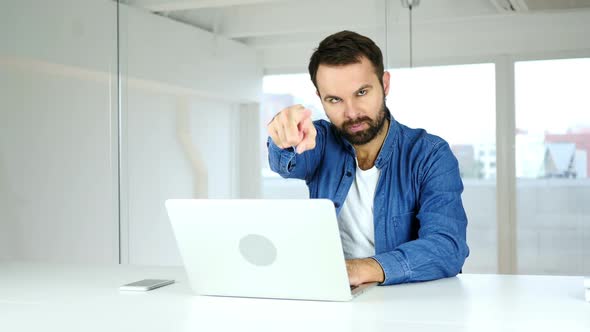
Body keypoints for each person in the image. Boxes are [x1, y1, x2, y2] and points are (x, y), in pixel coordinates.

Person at [266, 30, 469, 286]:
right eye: (335, 99)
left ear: (384, 84)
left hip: (407, 300)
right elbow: (284, 161)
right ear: (320, 98)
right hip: (333, 296)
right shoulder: (320, 140)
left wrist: (360, 269)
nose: (351, 113)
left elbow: (448, 247)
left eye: (361, 92)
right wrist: (281, 135)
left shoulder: (430, 154)